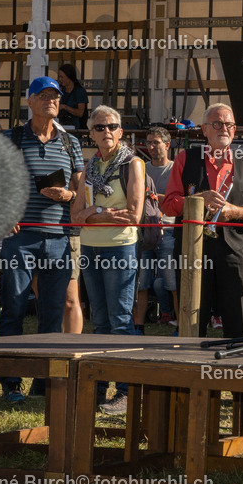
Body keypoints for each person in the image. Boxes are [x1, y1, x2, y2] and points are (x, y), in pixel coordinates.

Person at [0, 76, 84, 403]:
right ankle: (10, 382)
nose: (51, 100)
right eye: (44, 95)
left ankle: (44, 382)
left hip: (59, 238)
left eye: (55, 96)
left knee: (51, 313)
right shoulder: (12, 138)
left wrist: (69, 193)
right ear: (30, 101)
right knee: (15, 306)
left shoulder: (70, 142)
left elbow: (80, 192)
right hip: (22, 238)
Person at [162, 103, 243, 338]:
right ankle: (191, 369)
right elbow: (169, 203)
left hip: (236, 251)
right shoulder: (184, 158)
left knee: (240, 321)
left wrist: (235, 212)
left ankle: (238, 372)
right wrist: (197, 199)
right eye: (217, 124)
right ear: (204, 130)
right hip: (193, 249)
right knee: (191, 321)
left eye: (229, 124)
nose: (224, 128)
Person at [71, 106, 144, 413]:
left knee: (120, 320)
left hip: (119, 248)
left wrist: (95, 213)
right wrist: (100, 214)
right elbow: (76, 218)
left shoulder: (133, 163)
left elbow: (133, 216)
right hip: (90, 248)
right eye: (99, 128)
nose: (106, 132)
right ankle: (99, 388)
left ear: (121, 131)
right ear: (91, 134)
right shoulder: (89, 168)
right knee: (99, 321)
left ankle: (125, 391)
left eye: (112, 126)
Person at [133, 126, 178, 333]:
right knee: (141, 282)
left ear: (167, 145)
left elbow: (181, 200)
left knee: (172, 281)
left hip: (168, 230)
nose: (151, 146)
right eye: (148, 142)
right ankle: (138, 326)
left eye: (155, 142)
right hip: (143, 231)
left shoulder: (176, 169)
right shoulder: (140, 168)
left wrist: (156, 197)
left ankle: (181, 326)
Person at [56, 64, 89, 131]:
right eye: (59, 77)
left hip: (75, 129)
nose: (60, 79)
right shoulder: (61, 90)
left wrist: (65, 107)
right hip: (60, 126)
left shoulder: (79, 92)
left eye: (62, 77)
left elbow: (80, 113)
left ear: (69, 77)